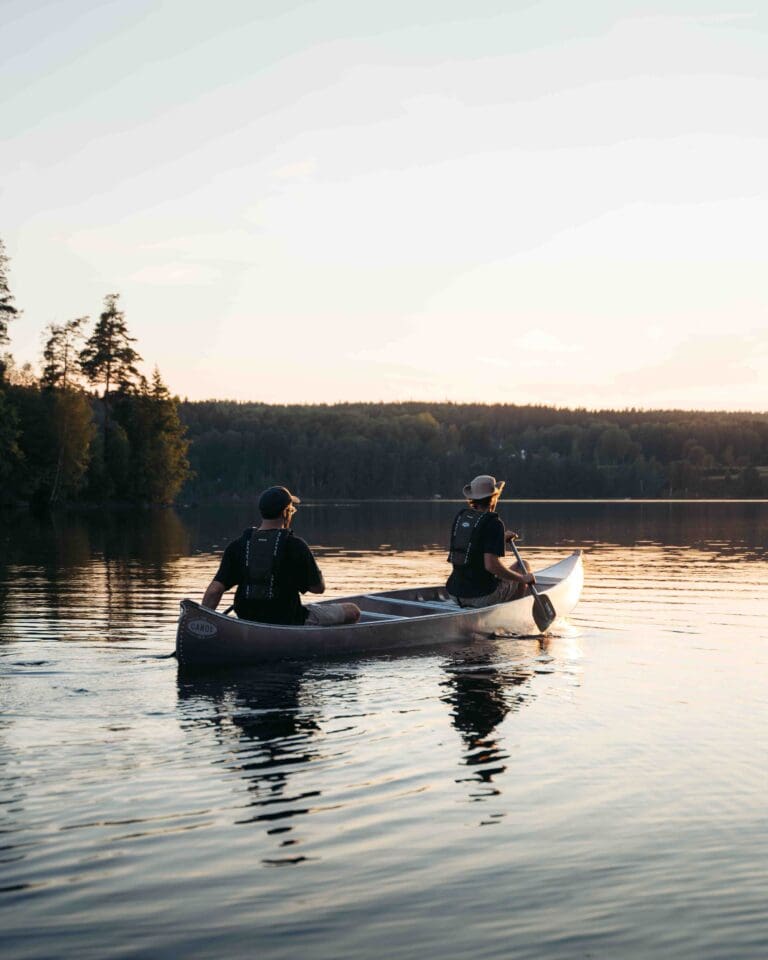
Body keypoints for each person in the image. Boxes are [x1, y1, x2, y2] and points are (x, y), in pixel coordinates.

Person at [201, 485, 360, 626]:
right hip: (288, 620)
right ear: (286, 512)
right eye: (292, 509)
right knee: (353, 611)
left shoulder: (237, 546)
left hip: (247, 618)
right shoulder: (296, 546)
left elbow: (214, 591)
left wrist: (202, 625)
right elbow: (318, 588)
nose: (292, 513)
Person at [446, 474, 536, 608]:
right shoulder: (494, 523)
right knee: (523, 566)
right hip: (480, 597)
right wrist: (521, 578)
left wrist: (500, 539)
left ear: (472, 499)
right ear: (494, 498)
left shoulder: (461, 518)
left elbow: (472, 546)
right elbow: (491, 565)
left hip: (454, 594)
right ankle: (512, 613)